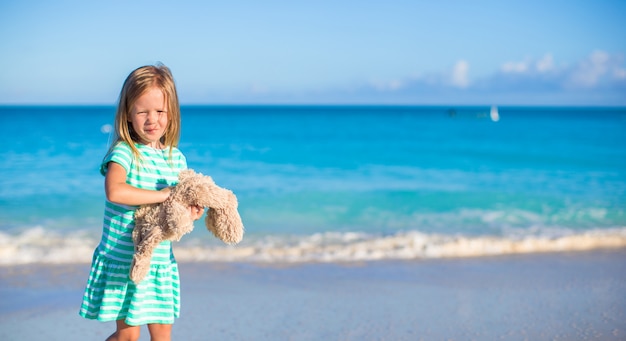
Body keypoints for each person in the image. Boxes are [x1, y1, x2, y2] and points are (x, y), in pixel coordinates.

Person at [79, 64, 203, 341]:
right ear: (128, 115)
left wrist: (189, 213)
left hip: (160, 262)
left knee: (162, 336)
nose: (152, 120)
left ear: (171, 113)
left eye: (160, 111)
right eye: (142, 111)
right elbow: (115, 191)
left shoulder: (176, 159)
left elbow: (174, 211)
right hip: (126, 260)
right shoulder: (125, 152)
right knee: (128, 336)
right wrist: (163, 195)